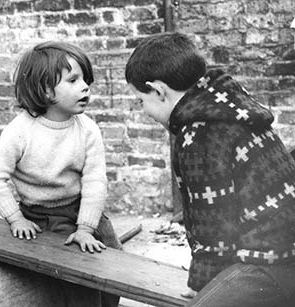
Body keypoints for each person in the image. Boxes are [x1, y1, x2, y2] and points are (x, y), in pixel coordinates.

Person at [124, 32, 295, 307]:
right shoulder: (231, 105)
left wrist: (201, 284)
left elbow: (212, 225)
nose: (144, 111)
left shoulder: (198, 135)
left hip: (268, 262)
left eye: (140, 101)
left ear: (157, 90)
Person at [0, 41, 122, 307]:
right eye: (73, 80)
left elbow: (94, 181)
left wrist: (86, 228)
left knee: (113, 264)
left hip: (79, 211)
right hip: (40, 216)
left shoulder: (87, 129)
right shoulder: (20, 131)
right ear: (46, 91)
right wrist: (15, 219)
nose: (85, 86)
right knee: (78, 280)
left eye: (85, 79)